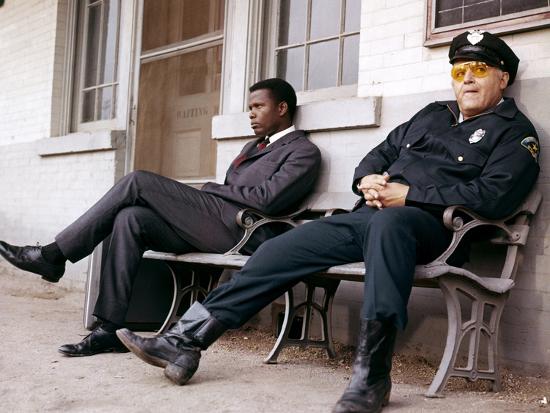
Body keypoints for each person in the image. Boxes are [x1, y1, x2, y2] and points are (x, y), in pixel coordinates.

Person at [123, 30, 538, 412]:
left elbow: (495, 196)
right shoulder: (431, 114)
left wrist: (409, 195)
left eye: (479, 69)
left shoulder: (514, 132)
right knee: (282, 247)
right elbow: (379, 154)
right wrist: (367, 179)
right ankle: (186, 340)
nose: (467, 78)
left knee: (390, 226)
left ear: (502, 79)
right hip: (372, 218)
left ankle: (372, 378)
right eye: (460, 71)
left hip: (437, 230)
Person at [0, 78, 322, 357]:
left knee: (137, 181)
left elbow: (268, 199)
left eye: (258, 106)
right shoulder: (253, 147)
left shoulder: (303, 151)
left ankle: (53, 255)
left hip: (245, 232)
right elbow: (235, 190)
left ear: (282, 108)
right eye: (249, 108)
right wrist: (215, 193)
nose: (251, 113)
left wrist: (211, 189)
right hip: (215, 224)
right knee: (131, 217)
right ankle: (109, 328)